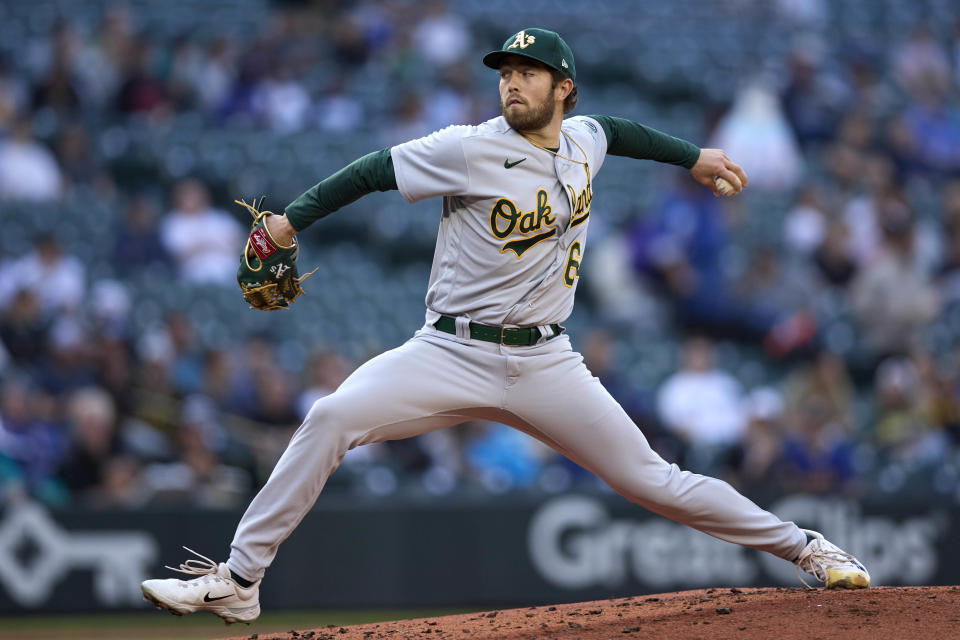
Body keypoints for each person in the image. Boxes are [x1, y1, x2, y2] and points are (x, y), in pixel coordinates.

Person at [141, 28, 869, 625]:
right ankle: (240, 578)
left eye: (529, 72)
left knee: (656, 480)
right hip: (449, 349)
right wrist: (289, 220)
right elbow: (371, 170)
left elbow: (619, 130)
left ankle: (808, 550)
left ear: (564, 88)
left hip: (548, 363)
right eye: (505, 73)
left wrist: (694, 156)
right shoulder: (469, 146)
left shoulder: (585, 138)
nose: (513, 83)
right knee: (330, 416)